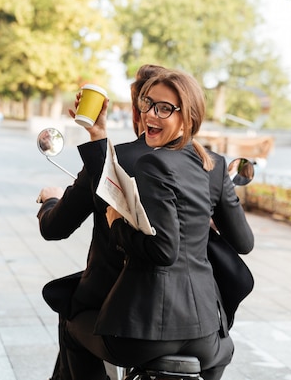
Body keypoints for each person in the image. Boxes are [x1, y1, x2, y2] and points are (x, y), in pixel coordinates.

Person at [38, 66, 253, 380]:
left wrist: (113, 222)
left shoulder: (143, 160)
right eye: (147, 104)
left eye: (164, 108)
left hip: (140, 326)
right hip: (207, 331)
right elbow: (244, 243)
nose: (152, 114)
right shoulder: (215, 164)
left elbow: (161, 249)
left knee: (72, 325)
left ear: (188, 115)